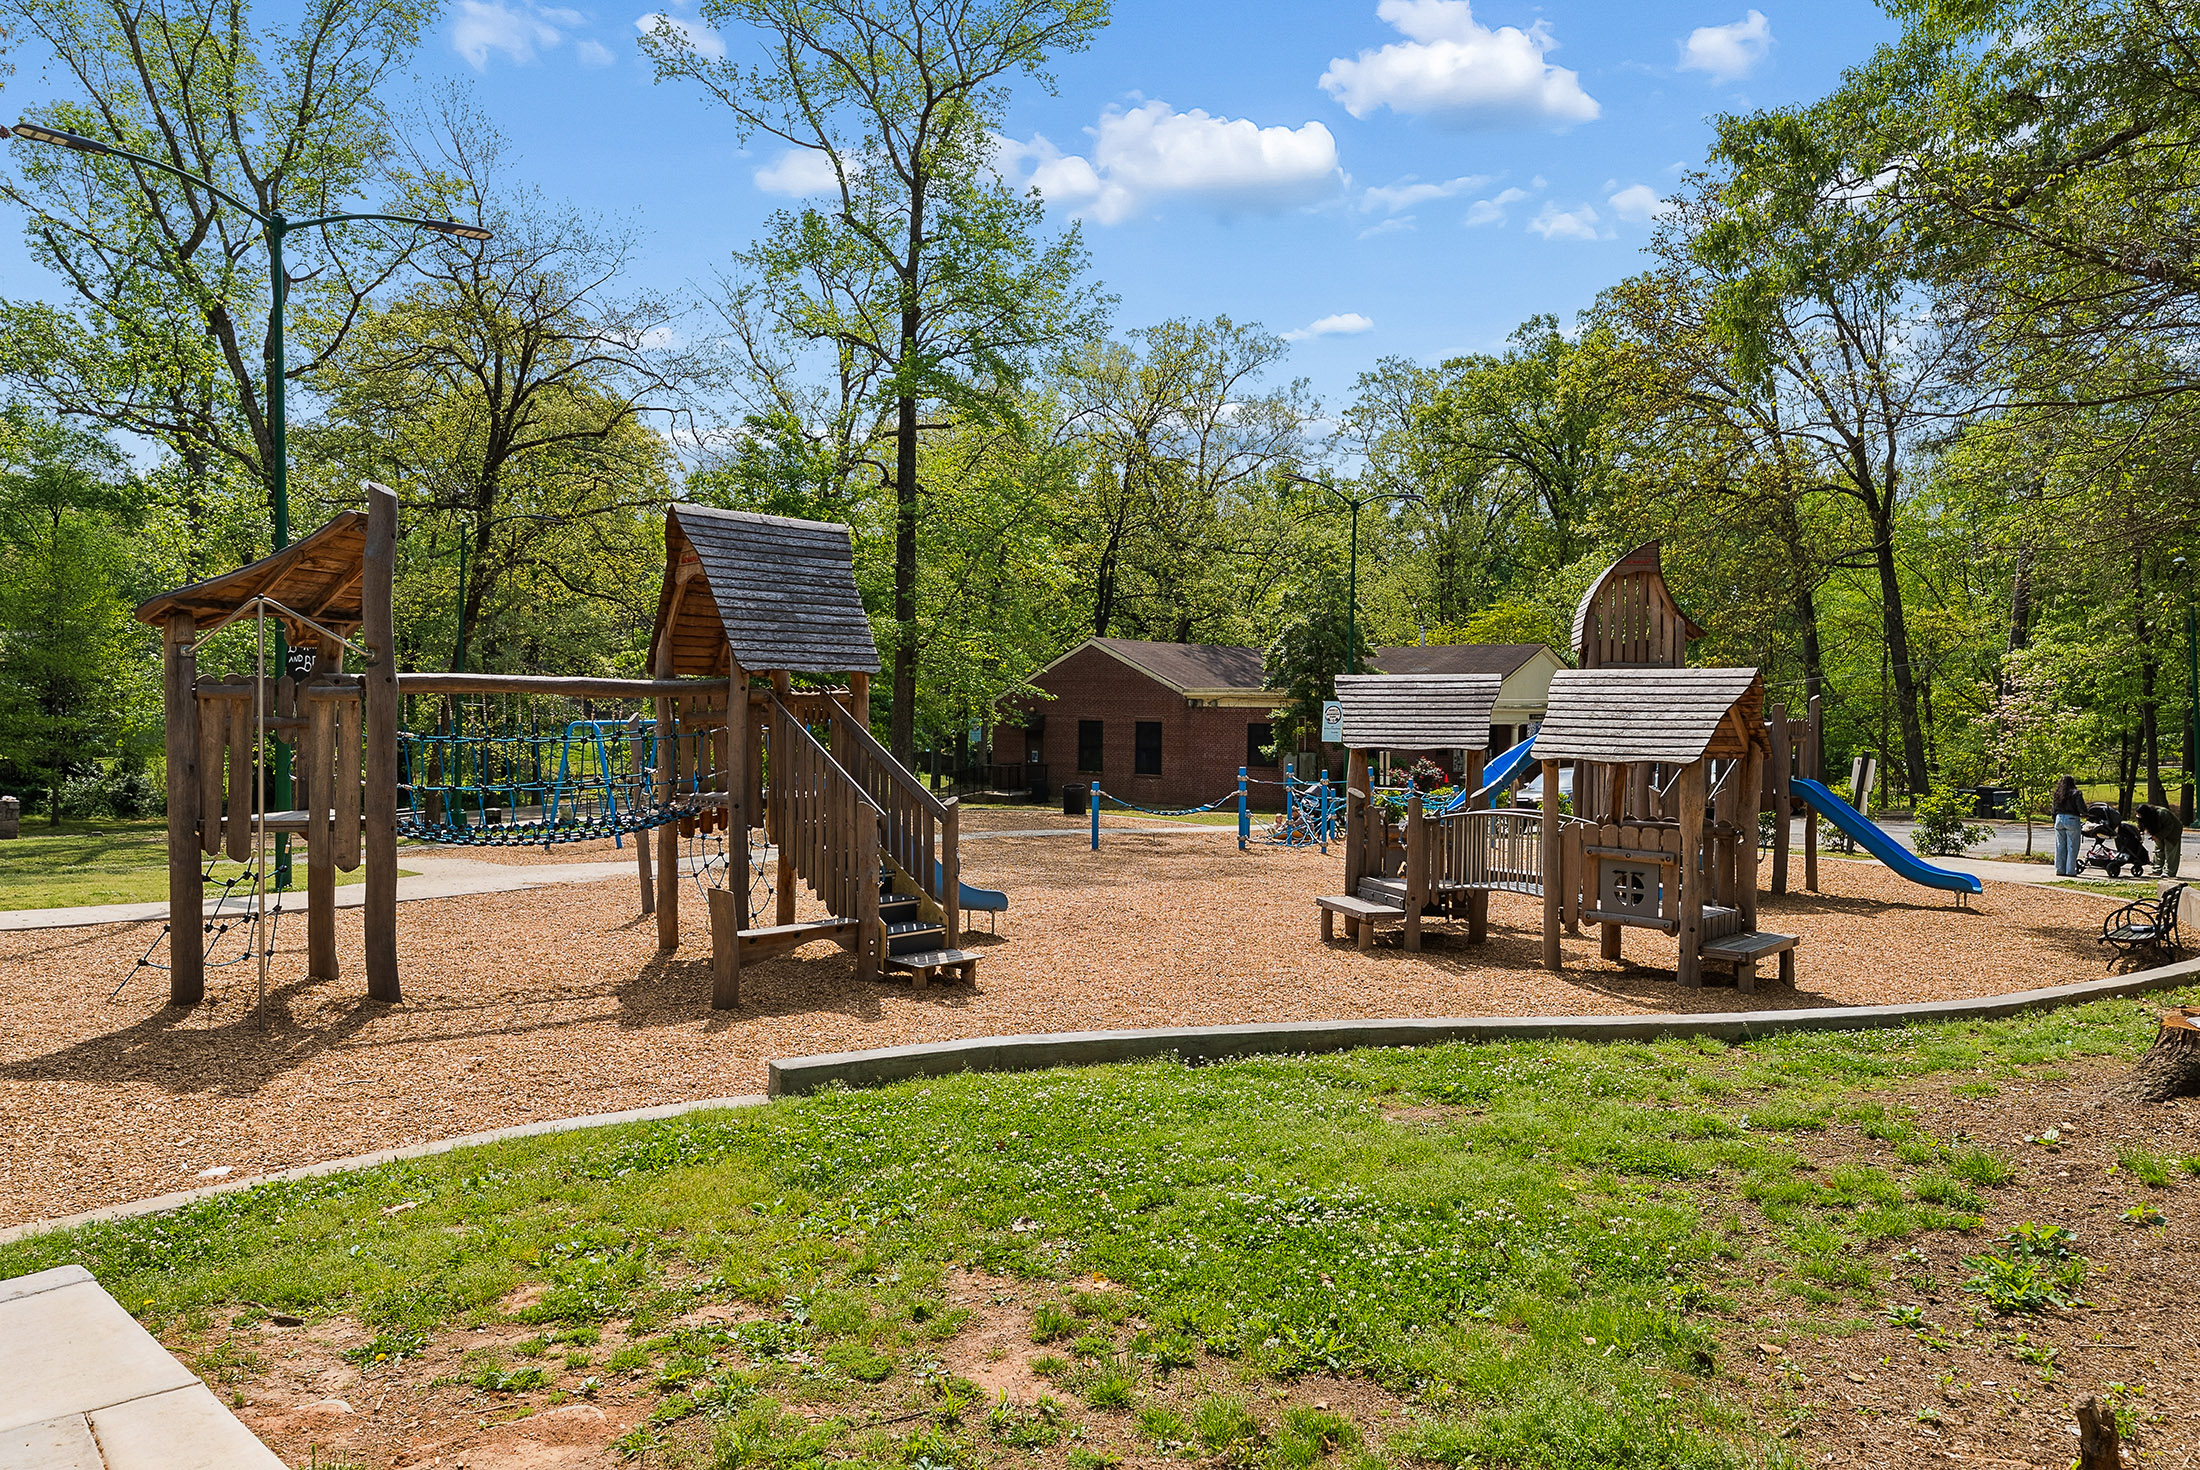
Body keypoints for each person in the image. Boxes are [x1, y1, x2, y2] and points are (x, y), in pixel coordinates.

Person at [2136, 802, 2185, 878]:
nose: (2138, 816)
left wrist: (2158, 836)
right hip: (2158, 831)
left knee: (2170, 851)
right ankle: (2157, 870)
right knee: (2158, 850)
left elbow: (2169, 827)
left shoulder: (2162, 813)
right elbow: (2142, 824)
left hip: (2173, 831)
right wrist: (2141, 830)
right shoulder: (2145, 816)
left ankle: (2169, 872)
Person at [2052, 776, 2087, 877]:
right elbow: (2081, 808)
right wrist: (2086, 814)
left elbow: (2053, 809)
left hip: (2059, 818)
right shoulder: (2076, 793)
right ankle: (2070, 871)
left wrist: (2054, 820)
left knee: (2060, 846)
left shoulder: (2057, 794)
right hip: (2072, 819)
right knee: (2072, 846)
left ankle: (2059, 869)